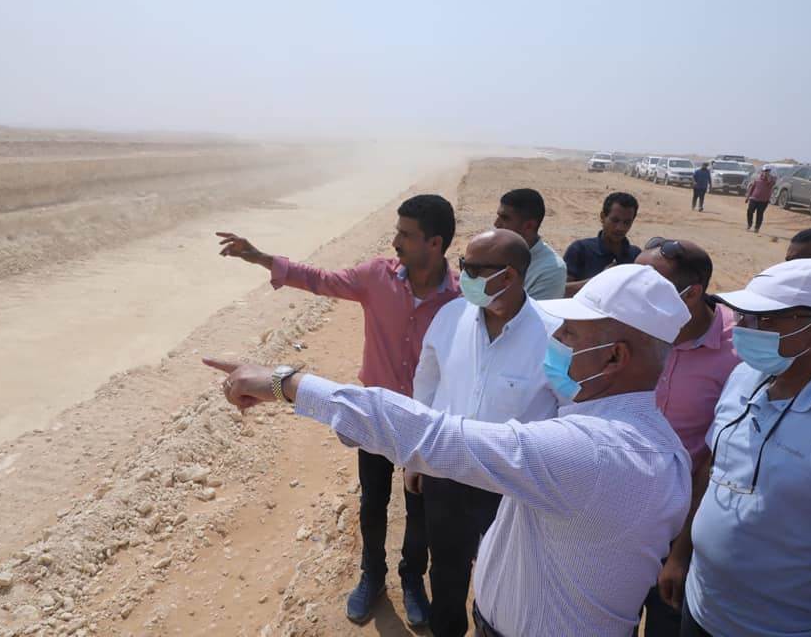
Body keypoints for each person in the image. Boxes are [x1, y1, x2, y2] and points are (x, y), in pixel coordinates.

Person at [205, 264, 694, 636]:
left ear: (615, 356)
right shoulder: (647, 442)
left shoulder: (598, 452)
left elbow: (434, 436)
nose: (556, 338)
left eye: (570, 332)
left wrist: (285, 384)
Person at [215, 194, 461, 626]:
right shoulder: (376, 276)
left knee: (421, 509)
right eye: (397, 231)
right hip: (372, 417)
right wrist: (260, 257)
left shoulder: (459, 300)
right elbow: (320, 280)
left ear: (434, 243)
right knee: (373, 502)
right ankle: (372, 576)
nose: (395, 241)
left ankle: (411, 580)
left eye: (405, 234)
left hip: (426, 422)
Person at [682, 259, 811, 637]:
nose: (741, 327)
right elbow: (717, 467)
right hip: (701, 605)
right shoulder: (745, 374)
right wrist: (680, 557)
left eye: (762, 319)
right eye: (743, 315)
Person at [405, 229, 558, 637]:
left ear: (508, 276)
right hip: (446, 474)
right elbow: (427, 384)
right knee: (446, 570)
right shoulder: (450, 317)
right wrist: (416, 456)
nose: (463, 276)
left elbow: (568, 414)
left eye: (472, 269)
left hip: (512, 489)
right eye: (463, 265)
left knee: (508, 580)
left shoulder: (554, 335)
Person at [633, 238, 739, 635]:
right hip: (623, 510)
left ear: (691, 294)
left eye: (648, 285)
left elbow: (718, 460)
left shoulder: (738, 352)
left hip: (681, 526)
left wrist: (680, 555)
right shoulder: (631, 324)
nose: (634, 294)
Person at [492, 188, 568, 299]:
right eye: (498, 216)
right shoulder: (492, 253)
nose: (496, 224)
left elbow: (534, 310)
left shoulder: (551, 269)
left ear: (529, 226)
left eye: (505, 218)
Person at [563, 192, 641, 297]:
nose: (620, 228)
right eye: (615, 220)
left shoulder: (636, 256)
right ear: (603, 217)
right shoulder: (580, 250)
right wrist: (601, 279)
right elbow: (561, 290)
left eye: (627, 222)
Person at [744, 165, 776, 233]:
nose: (766, 172)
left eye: (767, 171)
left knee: (760, 214)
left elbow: (771, 185)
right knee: (750, 211)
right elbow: (752, 187)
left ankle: (757, 227)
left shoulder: (772, 179)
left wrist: (768, 178)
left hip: (764, 200)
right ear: (762, 171)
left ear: (769, 172)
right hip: (754, 198)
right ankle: (749, 224)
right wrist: (748, 197)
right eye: (765, 171)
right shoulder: (757, 178)